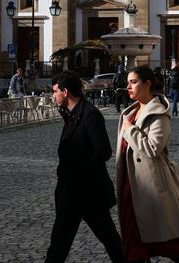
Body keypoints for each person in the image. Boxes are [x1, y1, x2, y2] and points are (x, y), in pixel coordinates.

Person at [44, 71, 125, 263]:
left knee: (111, 240)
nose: (53, 96)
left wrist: (81, 174)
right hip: (71, 193)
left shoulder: (90, 114)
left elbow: (103, 150)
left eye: (55, 91)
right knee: (58, 245)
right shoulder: (70, 114)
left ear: (65, 92)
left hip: (89, 193)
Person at [117, 66, 179, 263]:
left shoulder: (159, 113)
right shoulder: (131, 112)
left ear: (147, 84)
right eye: (128, 83)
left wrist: (130, 130)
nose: (128, 87)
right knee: (135, 243)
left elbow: (153, 148)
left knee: (169, 245)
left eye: (133, 82)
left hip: (151, 186)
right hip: (132, 184)